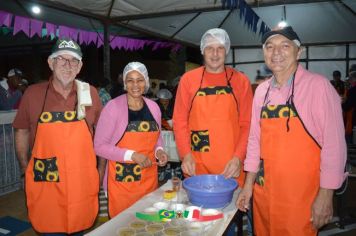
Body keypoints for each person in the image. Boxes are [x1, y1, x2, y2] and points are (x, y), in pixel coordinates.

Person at [236, 26, 347, 235]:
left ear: (299, 51)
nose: (276, 52)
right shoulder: (261, 91)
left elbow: (335, 146)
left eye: (284, 46)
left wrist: (326, 195)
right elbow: (254, 141)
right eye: (269, 47)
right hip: (264, 193)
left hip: (300, 197)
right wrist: (248, 184)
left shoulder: (319, 87)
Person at [13, 38, 104, 235]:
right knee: (50, 227)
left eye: (73, 61)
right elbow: (21, 131)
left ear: (80, 67)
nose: (67, 65)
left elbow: (102, 136)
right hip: (47, 180)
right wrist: (24, 168)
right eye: (61, 59)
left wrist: (100, 170)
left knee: (82, 227)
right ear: (50, 63)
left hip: (82, 180)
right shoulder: (32, 93)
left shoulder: (91, 94)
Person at [173, 28, 253, 185]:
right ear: (203, 50)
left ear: (226, 51)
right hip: (197, 165)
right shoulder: (188, 80)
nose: (215, 54)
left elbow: (247, 125)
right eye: (210, 48)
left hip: (231, 167)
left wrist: (238, 157)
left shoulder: (241, 81)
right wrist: (185, 155)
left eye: (220, 48)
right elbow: (180, 121)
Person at [94, 61, 168, 218]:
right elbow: (99, 146)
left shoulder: (154, 107)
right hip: (121, 185)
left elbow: (157, 139)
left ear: (146, 82)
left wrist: (160, 152)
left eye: (140, 80)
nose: (135, 85)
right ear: (124, 84)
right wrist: (132, 155)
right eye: (130, 80)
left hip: (149, 181)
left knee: (148, 224)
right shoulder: (113, 107)